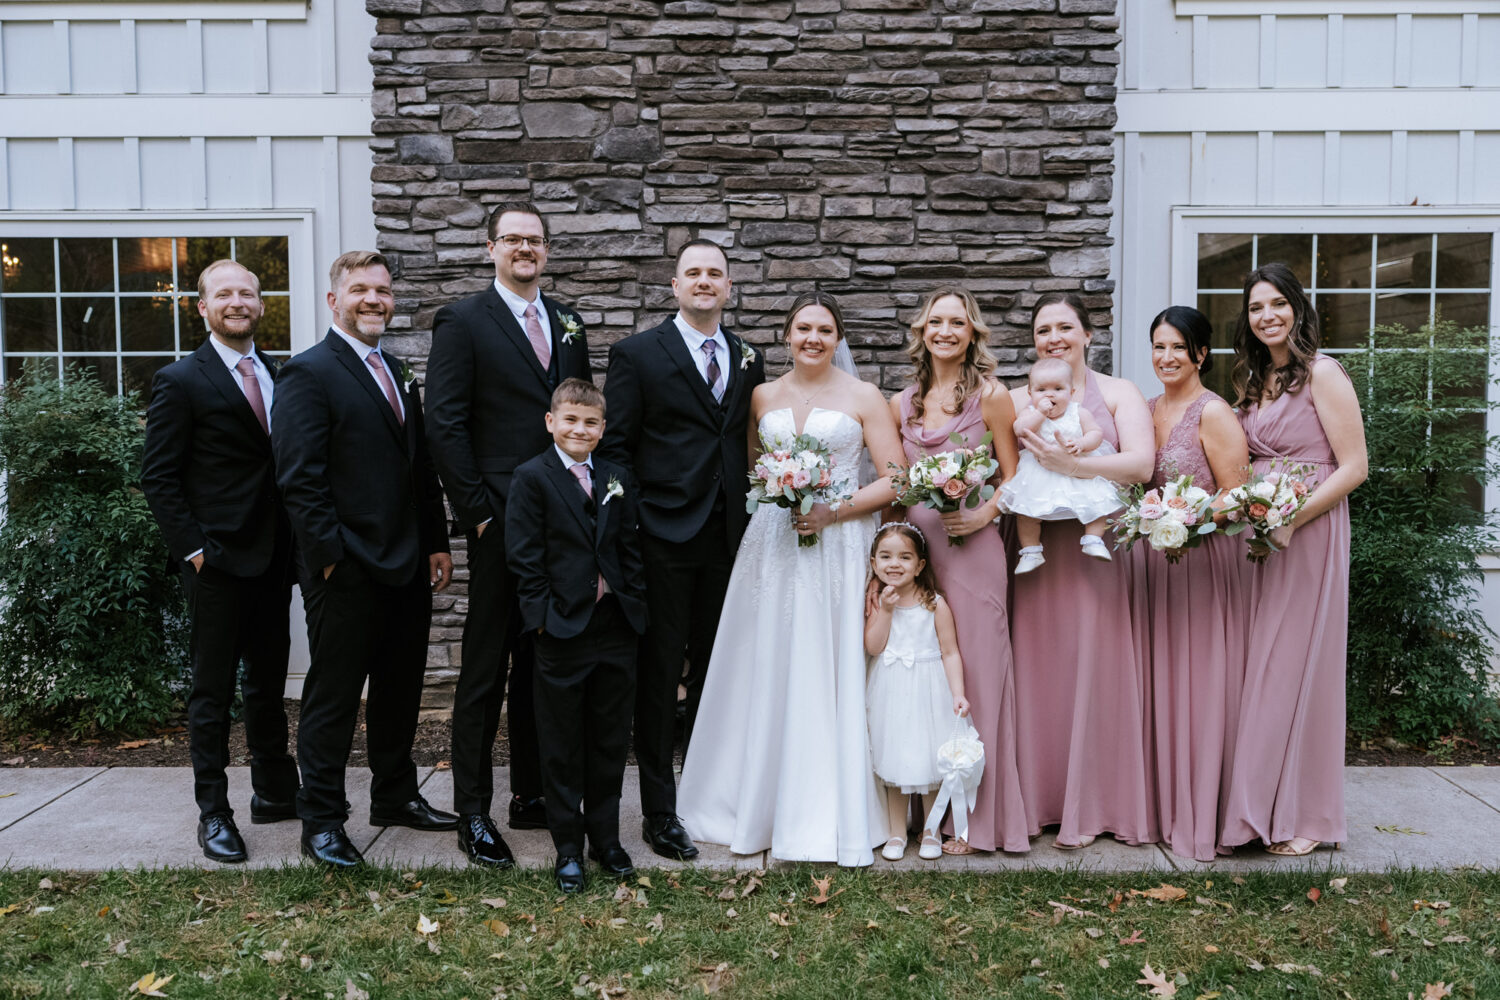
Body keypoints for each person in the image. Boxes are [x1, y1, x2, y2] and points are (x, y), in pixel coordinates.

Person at [676, 291, 905, 868]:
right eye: (803, 328)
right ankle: (753, 799)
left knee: (829, 661)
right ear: (786, 334)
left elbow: (897, 479)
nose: (813, 339)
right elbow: (756, 469)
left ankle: (829, 808)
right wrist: (784, 490)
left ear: (838, 338)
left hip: (839, 543)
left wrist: (835, 509)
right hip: (774, 545)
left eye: (825, 330)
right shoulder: (762, 395)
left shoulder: (863, 396)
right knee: (766, 658)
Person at [272, 251, 456, 868]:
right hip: (345, 568)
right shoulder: (307, 372)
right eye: (360, 290)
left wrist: (435, 540)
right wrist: (330, 561)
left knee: (400, 690)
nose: (374, 299)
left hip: (406, 564)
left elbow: (419, 465)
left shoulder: (398, 371)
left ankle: (396, 795)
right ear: (334, 301)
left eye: (382, 290)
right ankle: (321, 820)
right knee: (334, 698)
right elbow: (300, 479)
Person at [425, 201, 591, 867]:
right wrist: (479, 514)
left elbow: (574, 413)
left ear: (545, 251)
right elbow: (445, 423)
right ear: (491, 247)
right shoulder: (463, 320)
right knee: (486, 668)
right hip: (498, 520)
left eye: (535, 240)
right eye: (513, 239)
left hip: (558, 521)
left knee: (540, 663)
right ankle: (473, 811)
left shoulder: (567, 321)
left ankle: (531, 794)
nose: (525, 248)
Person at [598, 238, 765, 861]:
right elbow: (614, 450)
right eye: (692, 273)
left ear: (728, 286)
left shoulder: (749, 357)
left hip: (730, 541)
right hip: (662, 541)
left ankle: (708, 794)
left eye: (714, 274)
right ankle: (662, 812)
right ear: (674, 285)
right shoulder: (637, 354)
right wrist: (633, 526)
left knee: (718, 672)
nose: (704, 282)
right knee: (661, 675)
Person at [140, 259, 299, 864]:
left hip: (274, 558)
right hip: (217, 563)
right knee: (211, 692)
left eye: (248, 293)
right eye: (224, 294)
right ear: (201, 307)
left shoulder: (278, 373)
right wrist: (196, 551)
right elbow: (159, 477)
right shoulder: (181, 380)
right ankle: (214, 811)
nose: (238, 302)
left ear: (261, 305)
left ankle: (275, 792)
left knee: (267, 682)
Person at [1219, 263, 1367, 857]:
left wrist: (1291, 521)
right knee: (1264, 668)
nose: (1267, 316)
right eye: (1256, 308)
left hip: (1308, 533)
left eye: (1277, 304)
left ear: (1298, 310)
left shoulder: (1323, 374)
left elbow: (1354, 467)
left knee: (1301, 665)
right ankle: (1258, 807)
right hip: (1261, 536)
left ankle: (1307, 815)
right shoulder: (1255, 383)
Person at [1008, 292, 1158, 850]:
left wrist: (1074, 464)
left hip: (1101, 551)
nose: (1054, 337)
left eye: (1065, 327)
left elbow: (1140, 466)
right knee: (1039, 669)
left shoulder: (1118, 393)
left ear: (1088, 334)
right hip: (1038, 553)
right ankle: (1039, 801)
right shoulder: (1016, 397)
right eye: (1043, 329)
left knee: (1099, 669)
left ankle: (1103, 803)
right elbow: (1006, 469)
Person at [890, 286, 1030, 856]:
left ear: (973, 333)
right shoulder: (904, 401)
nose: (945, 331)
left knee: (978, 673)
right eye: (936, 322)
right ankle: (926, 812)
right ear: (922, 330)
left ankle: (980, 821)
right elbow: (899, 484)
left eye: (957, 322)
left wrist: (981, 517)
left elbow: (1018, 478)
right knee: (927, 675)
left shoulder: (994, 398)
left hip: (973, 551)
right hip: (917, 551)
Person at [504, 379, 648, 893]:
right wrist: (542, 617)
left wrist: (635, 602)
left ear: (602, 428)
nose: (579, 429)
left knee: (610, 740)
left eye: (590, 422)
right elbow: (524, 556)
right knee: (562, 742)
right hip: (561, 629)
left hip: (615, 627)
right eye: (570, 420)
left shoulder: (616, 477)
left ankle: (605, 840)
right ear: (551, 422)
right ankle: (568, 847)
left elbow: (629, 547)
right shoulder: (531, 477)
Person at [1141, 306, 1251, 863]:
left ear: (1201, 354)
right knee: (1159, 683)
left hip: (1204, 564)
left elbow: (1239, 493)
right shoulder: (1144, 408)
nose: (1166, 358)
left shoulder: (1214, 414)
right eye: (1158, 347)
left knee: (1201, 684)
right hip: (1152, 568)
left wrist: (1191, 518)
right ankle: (1160, 807)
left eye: (1177, 348)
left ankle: (1205, 810)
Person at [864, 522, 970, 862]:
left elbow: (950, 652)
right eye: (886, 556)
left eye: (905, 557)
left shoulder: (934, 604)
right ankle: (897, 831)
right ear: (873, 563)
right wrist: (888, 610)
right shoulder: (879, 602)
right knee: (892, 756)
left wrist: (958, 693)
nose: (894, 564)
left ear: (920, 565)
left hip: (928, 688)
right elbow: (873, 646)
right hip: (891, 688)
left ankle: (931, 829)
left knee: (930, 758)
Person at [1001, 357, 1123, 571]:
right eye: (1041, 390)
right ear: (1030, 394)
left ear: (1071, 392)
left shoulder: (1079, 412)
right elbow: (1020, 430)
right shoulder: (1030, 412)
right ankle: (1031, 551)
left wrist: (1082, 443)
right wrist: (1040, 412)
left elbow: (1096, 433)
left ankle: (1094, 539)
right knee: (1026, 511)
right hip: (1039, 471)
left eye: (1058, 388)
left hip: (1076, 467)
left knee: (1098, 500)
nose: (1050, 395)